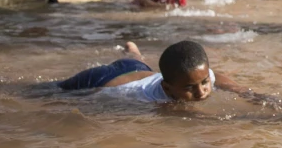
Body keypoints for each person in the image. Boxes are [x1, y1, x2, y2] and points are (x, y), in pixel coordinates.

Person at [57, 41, 244, 102]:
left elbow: (215, 77)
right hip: (103, 80)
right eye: (189, 88)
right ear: (167, 89)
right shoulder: (144, 97)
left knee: (136, 61)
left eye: (204, 83)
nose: (201, 92)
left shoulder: (198, 74)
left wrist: (249, 94)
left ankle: (132, 49)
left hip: (139, 70)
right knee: (52, 90)